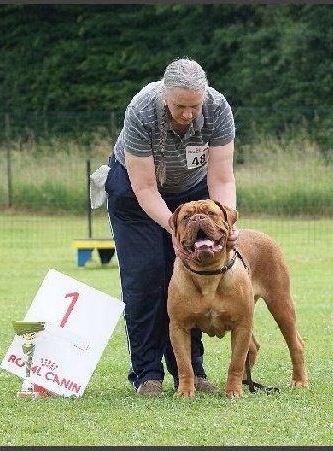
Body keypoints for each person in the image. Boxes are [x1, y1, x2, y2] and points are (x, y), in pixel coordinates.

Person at [104, 57, 239, 396]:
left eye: (194, 106)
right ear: (165, 95)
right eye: (180, 106)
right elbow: (146, 188)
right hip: (135, 195)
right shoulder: (141, 110)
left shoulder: (218, 109)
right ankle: (147, 374)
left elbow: (221, 177)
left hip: (192, 193)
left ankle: (191, 373)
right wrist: (175, 229)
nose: (187, 114)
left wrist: (228, 220)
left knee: (192, 280)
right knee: (147, 278)